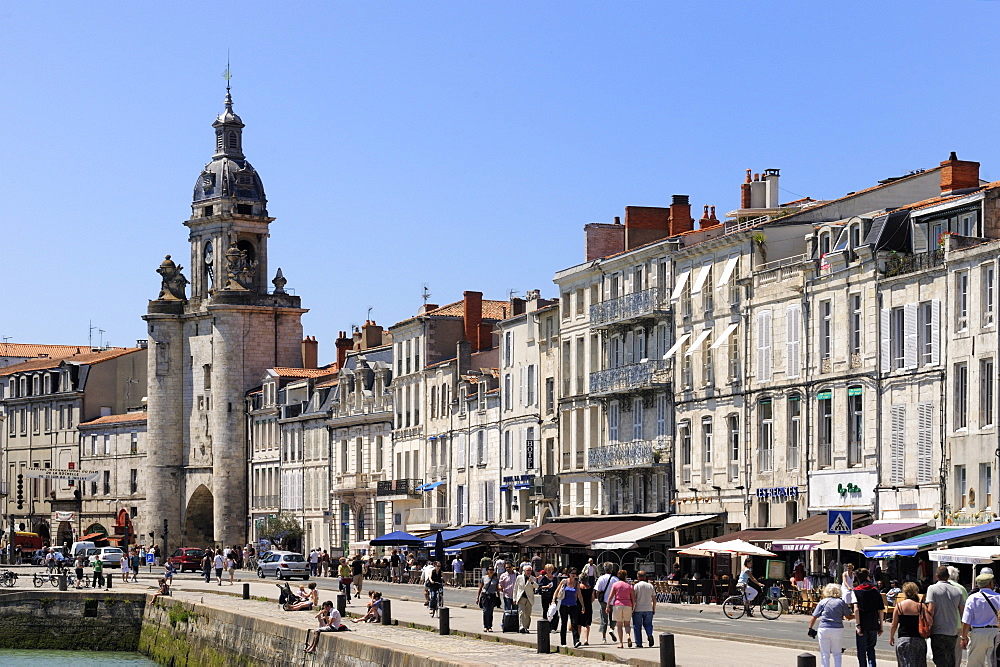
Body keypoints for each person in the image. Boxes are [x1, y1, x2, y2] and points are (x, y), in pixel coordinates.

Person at [925, 565, 964, 667]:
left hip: (938, 630)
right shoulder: (957, 591)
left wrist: (927, 626)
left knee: (940, 661)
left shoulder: (932, 589)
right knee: (951, 660)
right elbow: (962, 613)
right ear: (948, 576)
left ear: (936, 576)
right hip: (952, 631)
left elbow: (931, 610)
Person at [809, 583, 855, 667]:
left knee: (824, 654)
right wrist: (857, 616)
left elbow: (814, 616)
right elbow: (848, 616)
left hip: (824, 628)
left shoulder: (823, 602)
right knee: (837, 653)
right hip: (837, 629)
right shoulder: (841, 602)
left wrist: (810, 628)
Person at [961, 572, 1000, 667]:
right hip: (995, 633)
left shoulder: (972, 598)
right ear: (991, 583)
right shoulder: (999, 597)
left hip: (978, 633)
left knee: (975, 663)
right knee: (994, 662)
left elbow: (966, 621)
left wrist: (964, 637)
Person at [851, 568, 885, 667]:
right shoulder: (875, 590)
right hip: (873, 623)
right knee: (871, 649)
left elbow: (856, 609)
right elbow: (881, 610)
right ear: (868, 577)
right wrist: (881, 626)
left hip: (862, 623)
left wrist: (858, 625)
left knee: (861, 651)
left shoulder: (856, 591)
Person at [890, 581, 927, 667]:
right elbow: (929, 621)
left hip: (903, 639)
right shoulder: (921, 606)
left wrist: (891, 637)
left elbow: (894, 624)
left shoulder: (899, 606)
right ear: (916, 592)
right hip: (918, 639)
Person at [945, 566, 968, 667]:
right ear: (956, 577)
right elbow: (966, 609)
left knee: (944, 651)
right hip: (959, 624)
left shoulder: (939, 587)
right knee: (957, 652)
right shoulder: (962, 589)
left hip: (944, 624)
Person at [555, 569, 582, 647]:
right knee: (564, 624)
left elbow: (579, 595)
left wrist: (583, 606)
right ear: (568, 574)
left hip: (573, 605)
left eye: (575, 573)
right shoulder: (564, 582)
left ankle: (576, 641)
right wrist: (554, 600)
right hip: (564, 606)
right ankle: (563, 642)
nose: (574, 574)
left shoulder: (577, 584)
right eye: (572, 573)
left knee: (574, 624)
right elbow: (557, 591)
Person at [608, 570, 634, 649]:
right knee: (627, 624)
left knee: (619, 625)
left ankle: (621, 643)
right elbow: (633, 599)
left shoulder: (615, 585)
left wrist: (607, 606)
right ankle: (628, 636)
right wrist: (633, 607)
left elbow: (610, 596)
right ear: (626, 576)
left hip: (618, 605)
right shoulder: (629, 586)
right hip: (628, 605)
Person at [632, 570, 656, 649]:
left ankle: (639, 643)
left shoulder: (636, 586)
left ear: (638, 577)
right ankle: (649, 634)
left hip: (638, 609)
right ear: (645, 577)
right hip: (648, 608)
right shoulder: (650, 586)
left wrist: (632, 609)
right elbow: (654, 598)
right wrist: (653, 608)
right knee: (648, 624)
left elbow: (634, 599)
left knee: (637, 626)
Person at [513, 565, 537, 634]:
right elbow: (515, 588)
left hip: (529, 598)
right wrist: (514, 598)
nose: (529, 572)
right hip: (521, 598)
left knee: (528, 614)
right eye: (527, 570)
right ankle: (521, 627)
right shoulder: (519, 577)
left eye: (530, 570)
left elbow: (536, 586)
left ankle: (526, 627)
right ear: (524, 571)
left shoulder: (533, 578)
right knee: (521, 612)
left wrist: (532, 582)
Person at [477, 565, 500, 632]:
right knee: (485, 611)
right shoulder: (484, 578)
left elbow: (497, 589)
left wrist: (498, 597)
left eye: (492, 570)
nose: (491, 571)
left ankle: (489, 626)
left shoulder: (496, 579)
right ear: (487, 571)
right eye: (490, 570)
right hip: (485, 596)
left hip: (492, 596)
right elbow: (480, 588)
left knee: (490, 612)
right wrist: (477, 597)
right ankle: (485, 626)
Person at [538, 564, 558, 634]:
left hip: (553, 596)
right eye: (548, 569)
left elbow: (557, 588)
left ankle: (553, 627)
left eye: (550, 569)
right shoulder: (544, 578)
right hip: (545, 596)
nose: (549, 571)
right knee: (546, 610)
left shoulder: (555, 578)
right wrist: (546, 586)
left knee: (554, 611)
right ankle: (546, 626)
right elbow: (539, 587)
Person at [577, 576, 594, 646]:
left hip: (579, 606)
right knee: (587, 624)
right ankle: (586, 639)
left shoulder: (578, 587)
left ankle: (577, 639)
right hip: (588, 606)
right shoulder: (590, 588)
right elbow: (593, 598)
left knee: (579, 624)